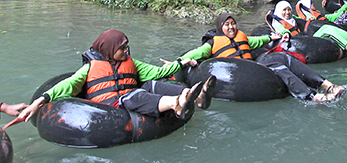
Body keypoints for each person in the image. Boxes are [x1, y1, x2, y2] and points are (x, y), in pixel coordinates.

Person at [18, 29, 214, 124]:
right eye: (122, 48)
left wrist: (181, 62)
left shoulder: (131, 62)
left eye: (126, 46)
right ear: (110, 49)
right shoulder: (90, 68)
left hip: (130, 96)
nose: (126, 50)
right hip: (110, 107)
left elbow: (157, 72)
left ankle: (195, 96)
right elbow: (67, 86)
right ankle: (177, 103)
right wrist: (38, 102)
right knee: (134, 96)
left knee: (151, 85)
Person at [182, 13, 346, 101]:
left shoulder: (242, 36)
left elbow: (257, 40)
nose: (231, 27)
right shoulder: (212, 43)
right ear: (220, 27)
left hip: (254, 66)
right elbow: (193, 54)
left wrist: (273, 37)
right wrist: (179, 63)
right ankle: (312, 96)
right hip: (243, 73)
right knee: (278, 68)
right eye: (227, 25)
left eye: (233, 23)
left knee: (284, 58)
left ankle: (327, 85)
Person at [270, 1, 347, 61]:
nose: (287, 12)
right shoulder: (277, 22)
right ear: (279, 11)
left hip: (307, 38)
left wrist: (308, 19)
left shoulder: (293, 19)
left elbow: (303, 21)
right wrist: (286, 34)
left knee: (328, 28)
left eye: (288, 9)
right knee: (328, 30)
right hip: (300, 42)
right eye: (284, 10)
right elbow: (282, 30)